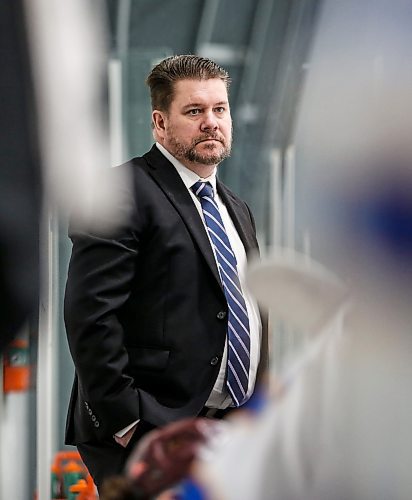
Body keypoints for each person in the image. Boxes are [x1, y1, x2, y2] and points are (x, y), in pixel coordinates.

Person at [64, 54, 268, 491]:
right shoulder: (122, 191)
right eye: (194, 111)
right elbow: (91, 316)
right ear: (159, 122)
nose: (211, 122)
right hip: (152, 432)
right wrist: (128, 424)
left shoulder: (235, 207)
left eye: (220, 109)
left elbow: (244, 309)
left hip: (227, 434)